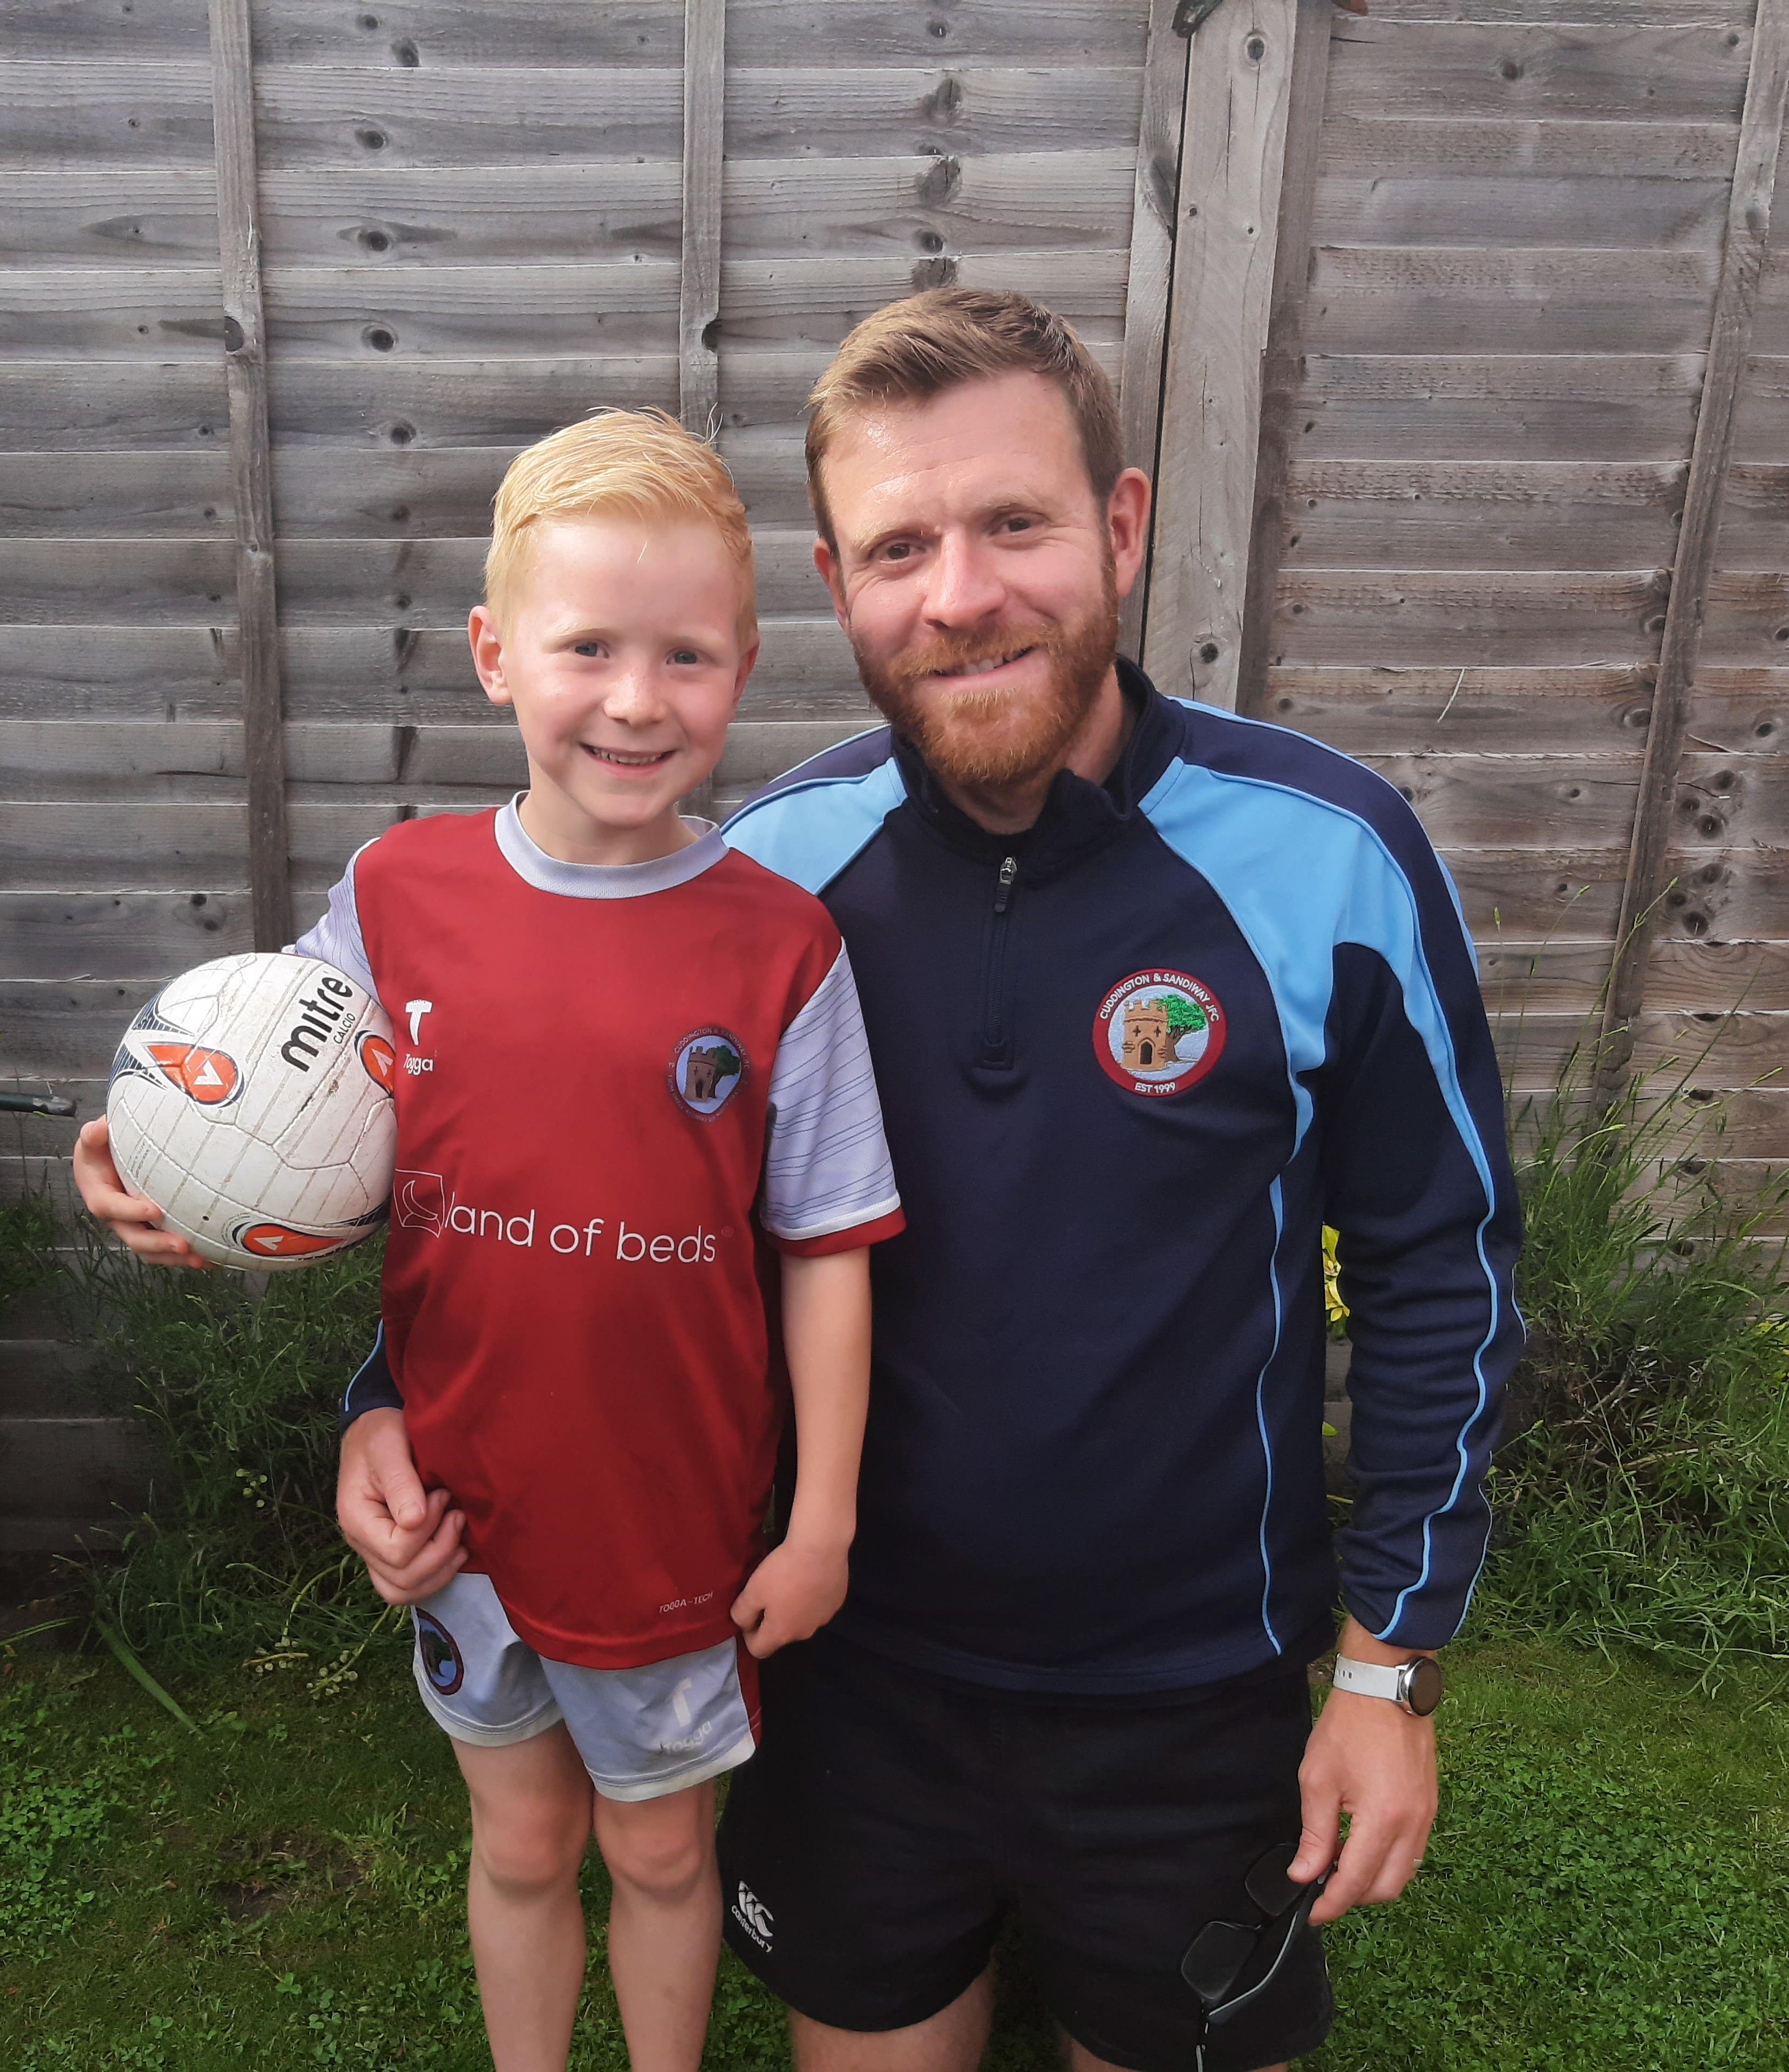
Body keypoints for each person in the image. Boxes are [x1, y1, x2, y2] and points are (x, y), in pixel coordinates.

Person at [336, 291, 1523, 2072]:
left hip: (1189, 1690)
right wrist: (388, 1399)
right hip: (844, 1665)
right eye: (901, 545)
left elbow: (1445, 1268)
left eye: (1015, 525)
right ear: (837, 585)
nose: (959, 593)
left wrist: (1389, 1666)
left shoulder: (1329, 853)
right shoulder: (766, 881)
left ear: (1119, 528)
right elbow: (581, 1178)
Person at [72, 410, 904, 2072]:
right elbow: (285, 1111)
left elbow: (825, 1249)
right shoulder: (397, 899)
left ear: (744, 663)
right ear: (494, 654)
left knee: (663, 1851)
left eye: (685, 654)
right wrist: (134, 1155)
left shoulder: (782, 948)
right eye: (587, 646)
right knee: (523, 1844)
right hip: (463, 1512)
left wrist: (820, 1525)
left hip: (674, 1523)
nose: (636, 698)